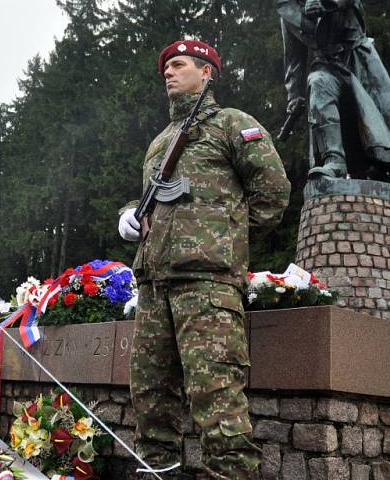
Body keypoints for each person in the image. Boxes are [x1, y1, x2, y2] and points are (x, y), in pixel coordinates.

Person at [117, 40, 290, 479]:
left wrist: (222, 240)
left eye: (178, 65)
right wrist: (131, 216)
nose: (168, 74)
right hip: (155, 285)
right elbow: (157, 201)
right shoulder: (160, 143)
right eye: (166, 69)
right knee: (151, 400)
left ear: (206, 71)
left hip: (207, 286)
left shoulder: (233, 124)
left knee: (217, 400)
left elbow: (272, 192)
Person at [277, 0, 390, 186]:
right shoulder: (289, 12)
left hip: (360, 59)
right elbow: (294, 60)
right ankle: (334, 162)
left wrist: (323, 0)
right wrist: (294, 96)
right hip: (327, 64)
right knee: (317, 83)